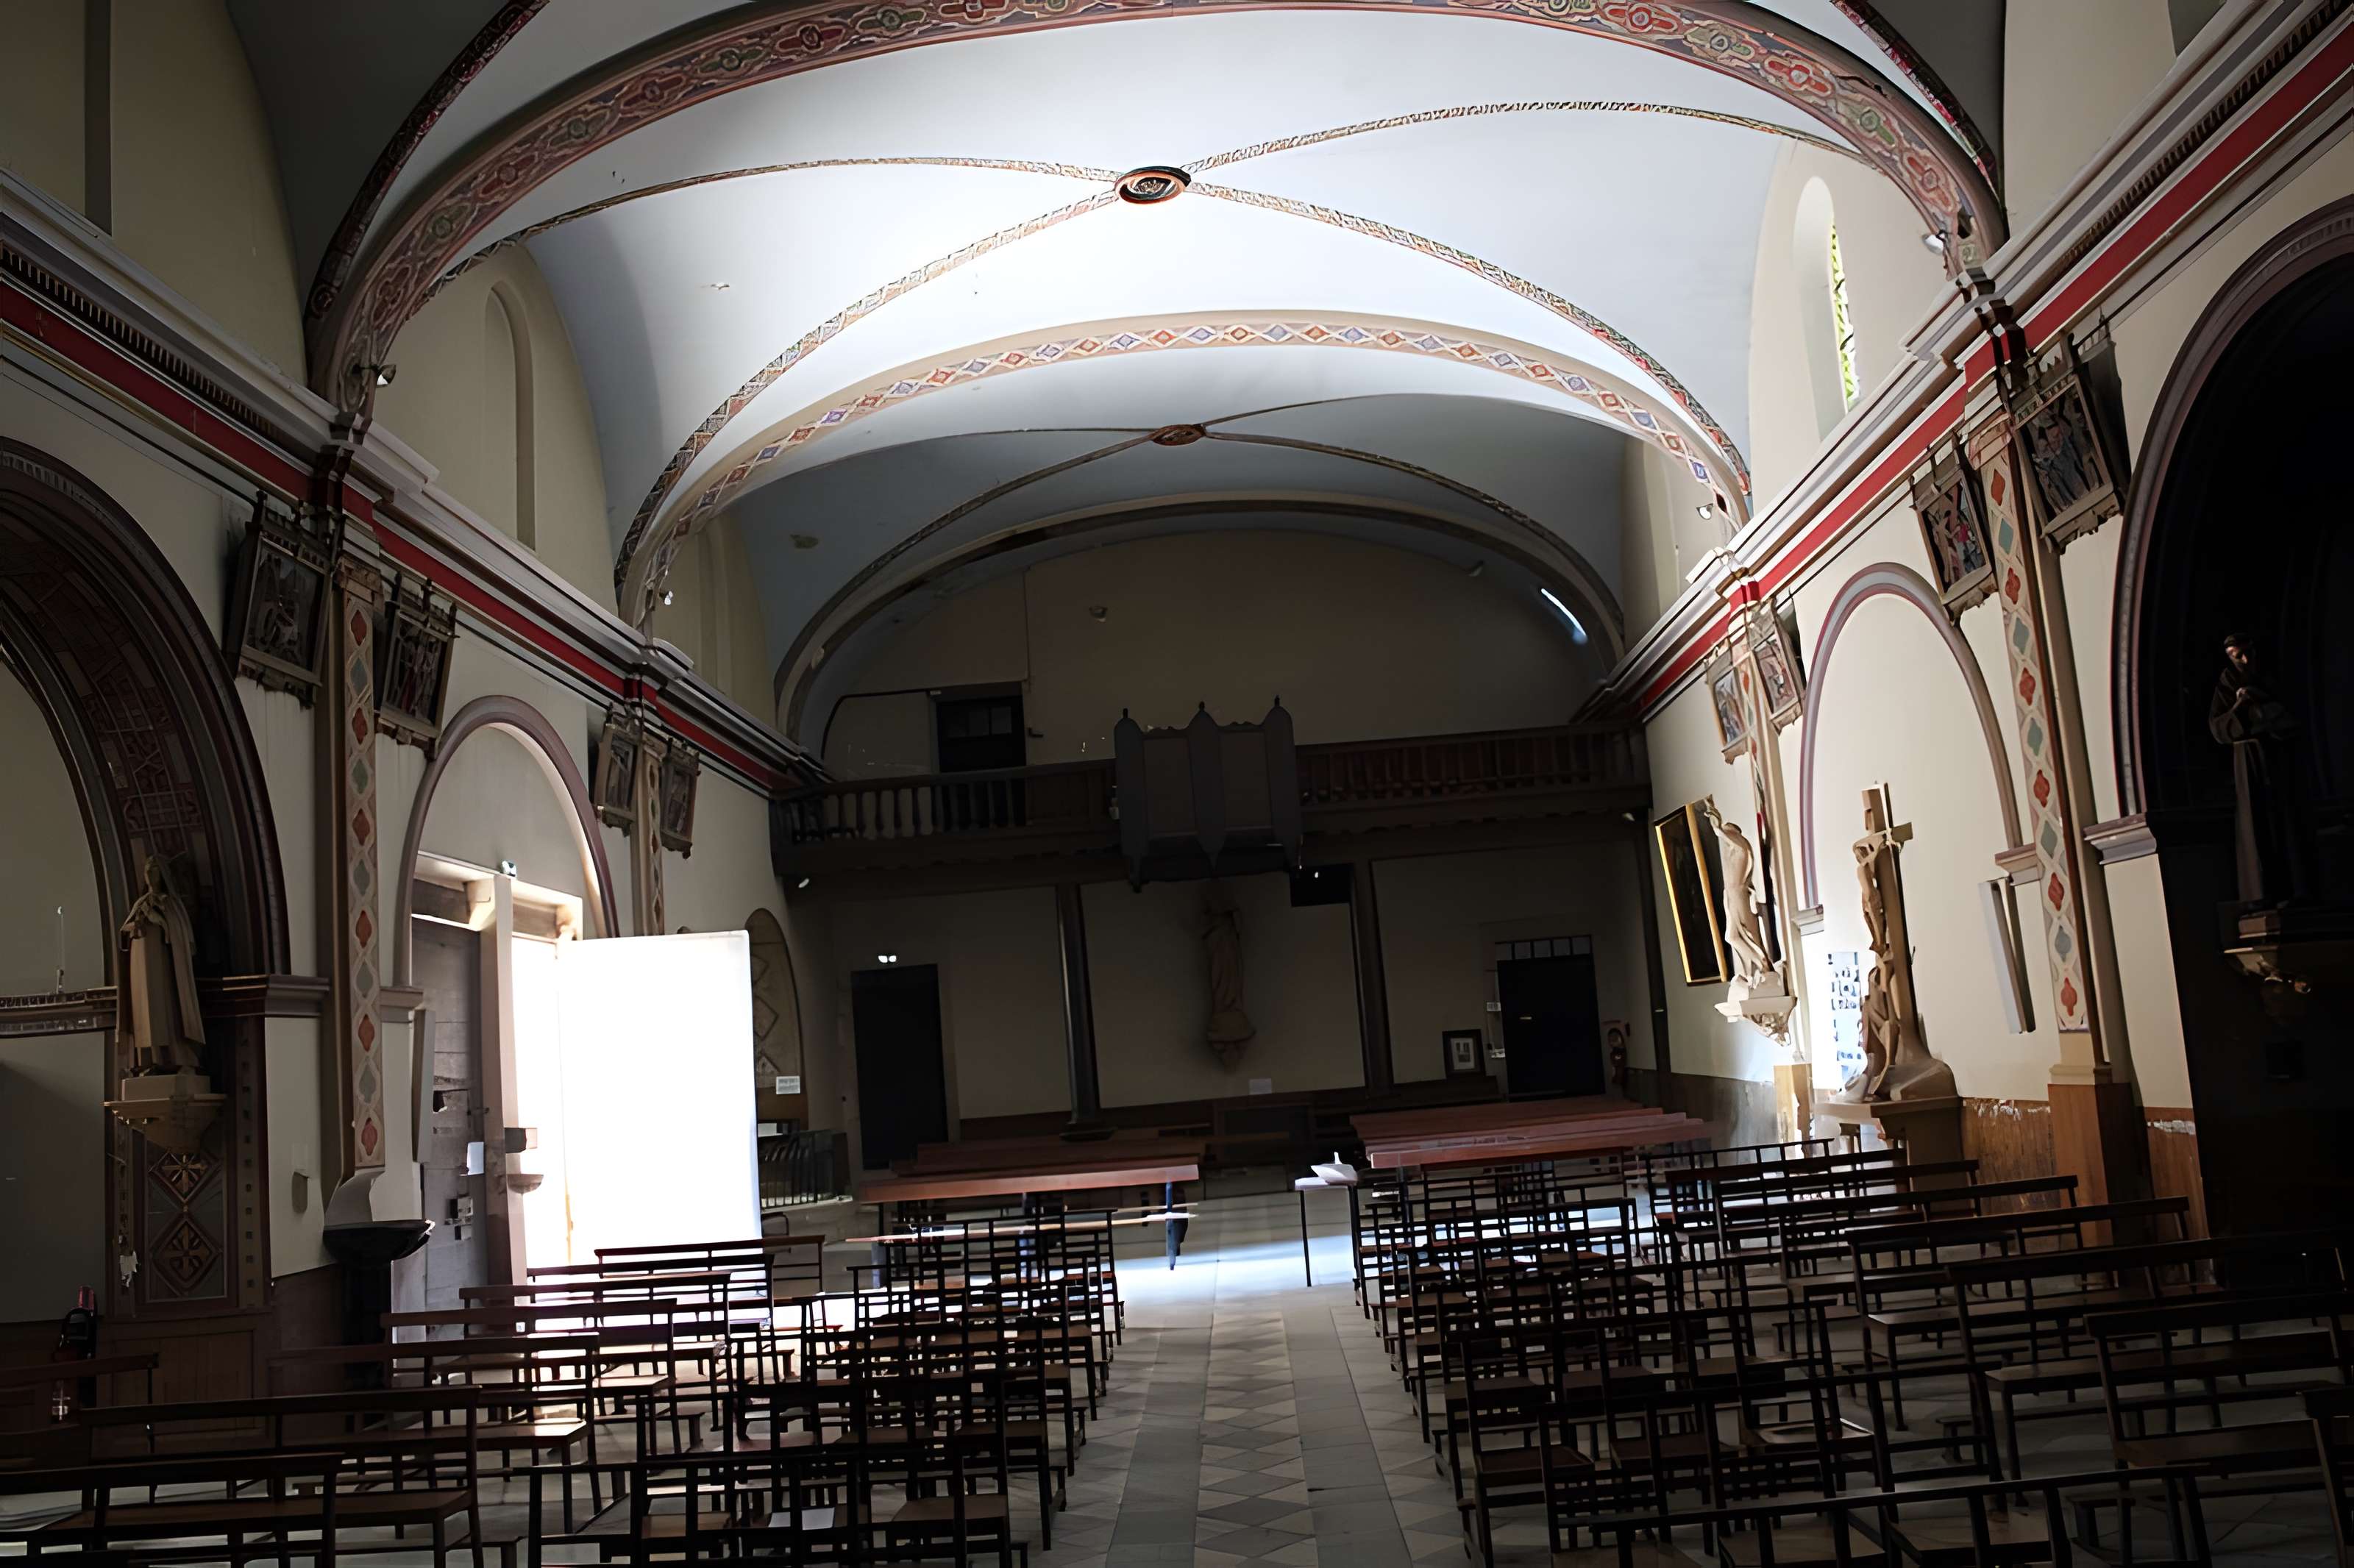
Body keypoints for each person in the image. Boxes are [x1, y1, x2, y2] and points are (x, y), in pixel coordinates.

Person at [2208, 632, 2305, 904]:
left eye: (2248, 653)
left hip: (2278, 760)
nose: (2245, 660)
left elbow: (2290, 715)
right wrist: (2242, 705)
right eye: (2238, 656)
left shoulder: (2270, 679)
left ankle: (2295, 889)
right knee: (2256, 824)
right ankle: (2263, 894)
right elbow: (2220, 728)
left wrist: (2259, 700)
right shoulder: (2227, 685)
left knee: (2285, 822)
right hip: (2248, 762)